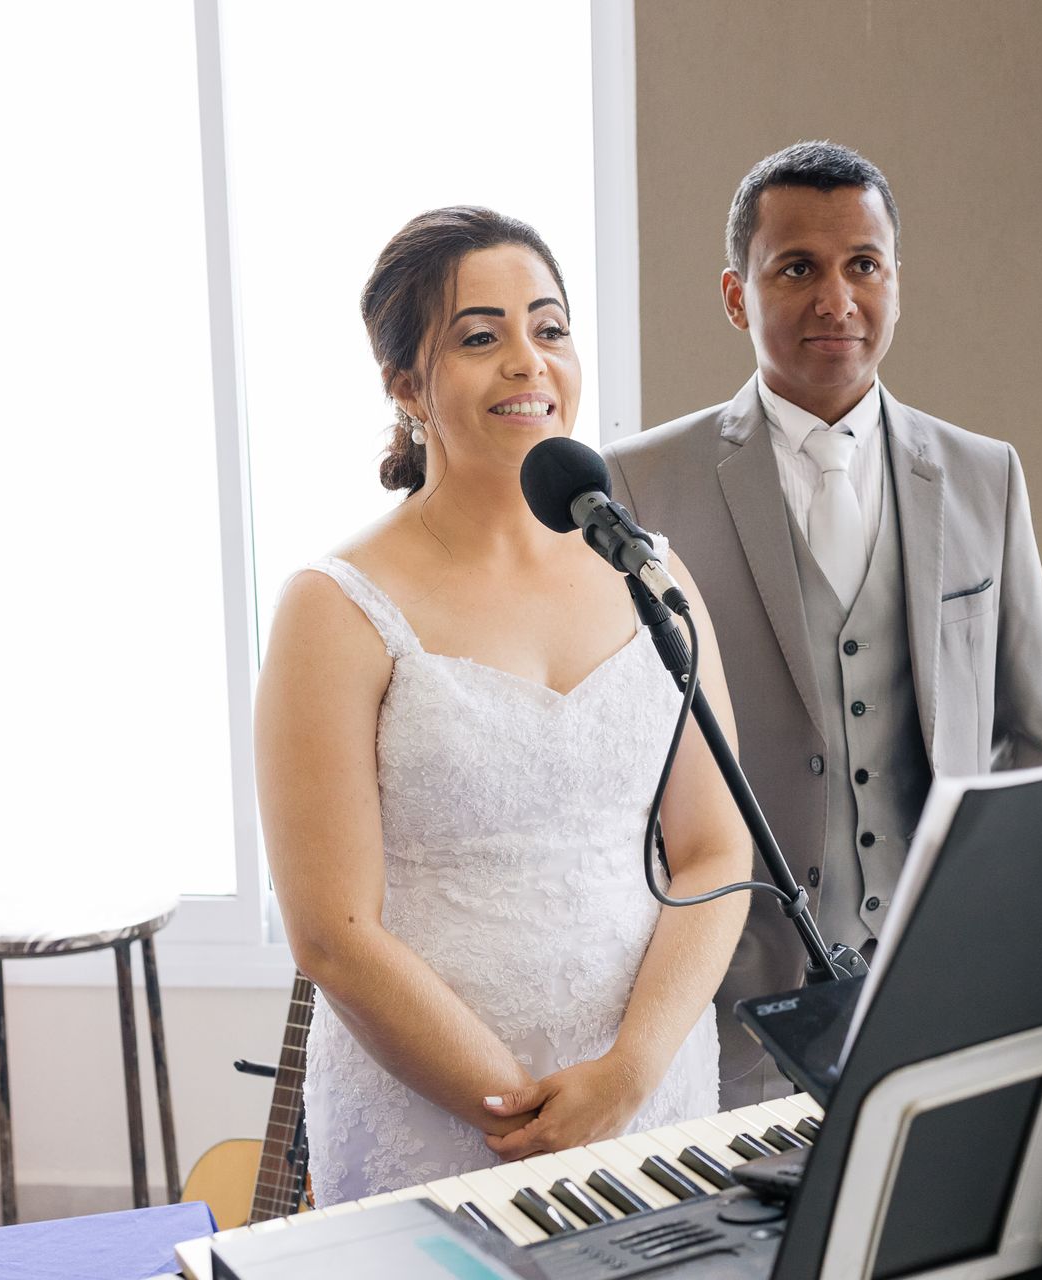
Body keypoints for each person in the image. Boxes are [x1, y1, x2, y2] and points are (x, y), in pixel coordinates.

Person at [254, 207, 750, 1203]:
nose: (529, 360)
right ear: (406, 386)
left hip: (651, 1098)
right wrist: (525, 1115)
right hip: (434, 1121)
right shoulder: (336, 607)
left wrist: (630, 1074)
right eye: (480, 337)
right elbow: (333, 931)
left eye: (550, 327)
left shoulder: (647, 572)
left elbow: (716, 849)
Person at [605, 142, 1042, 1107]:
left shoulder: (985, 475)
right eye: (797, 269)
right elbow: (615, 765)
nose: (837, 299)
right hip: (730, 1008)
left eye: (864, 264)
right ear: (736, 296)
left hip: (942, 988)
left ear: (897, 281)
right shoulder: (641, 485)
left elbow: (1034, 744)